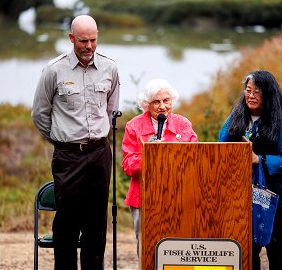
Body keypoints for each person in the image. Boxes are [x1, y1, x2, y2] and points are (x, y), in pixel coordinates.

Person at [31, 15, 120, 270]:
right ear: (72, 39)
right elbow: (39, 114)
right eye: (83, 41)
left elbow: (111, 110)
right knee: (67, 223)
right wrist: (61, 139)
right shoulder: (54, 69)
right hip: (69, 156)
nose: (89, 46)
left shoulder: (110, 68)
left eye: (93, 40)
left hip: (100, 153)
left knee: (96, 223)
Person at [218, 70, 282, 270]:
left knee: (277, 249)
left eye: (257, 92)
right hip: (242, 194)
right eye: (248, 90)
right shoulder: (236, 118)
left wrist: (258, 159)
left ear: (268, 95)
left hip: (277, 196)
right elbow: (221, 147)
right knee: (246, 248)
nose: (251, 95)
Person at [121, 78, 198, 254]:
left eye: (166, 100)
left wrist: (171, 153)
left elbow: (195, 157)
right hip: (144, 196)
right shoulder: (134, 126)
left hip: (178, 195)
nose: (162, 106)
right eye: (156, 102)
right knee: (148, 248)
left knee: (177, 246)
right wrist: (150, 154)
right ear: (147, 104)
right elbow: (128, 166)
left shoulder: (183, 124)